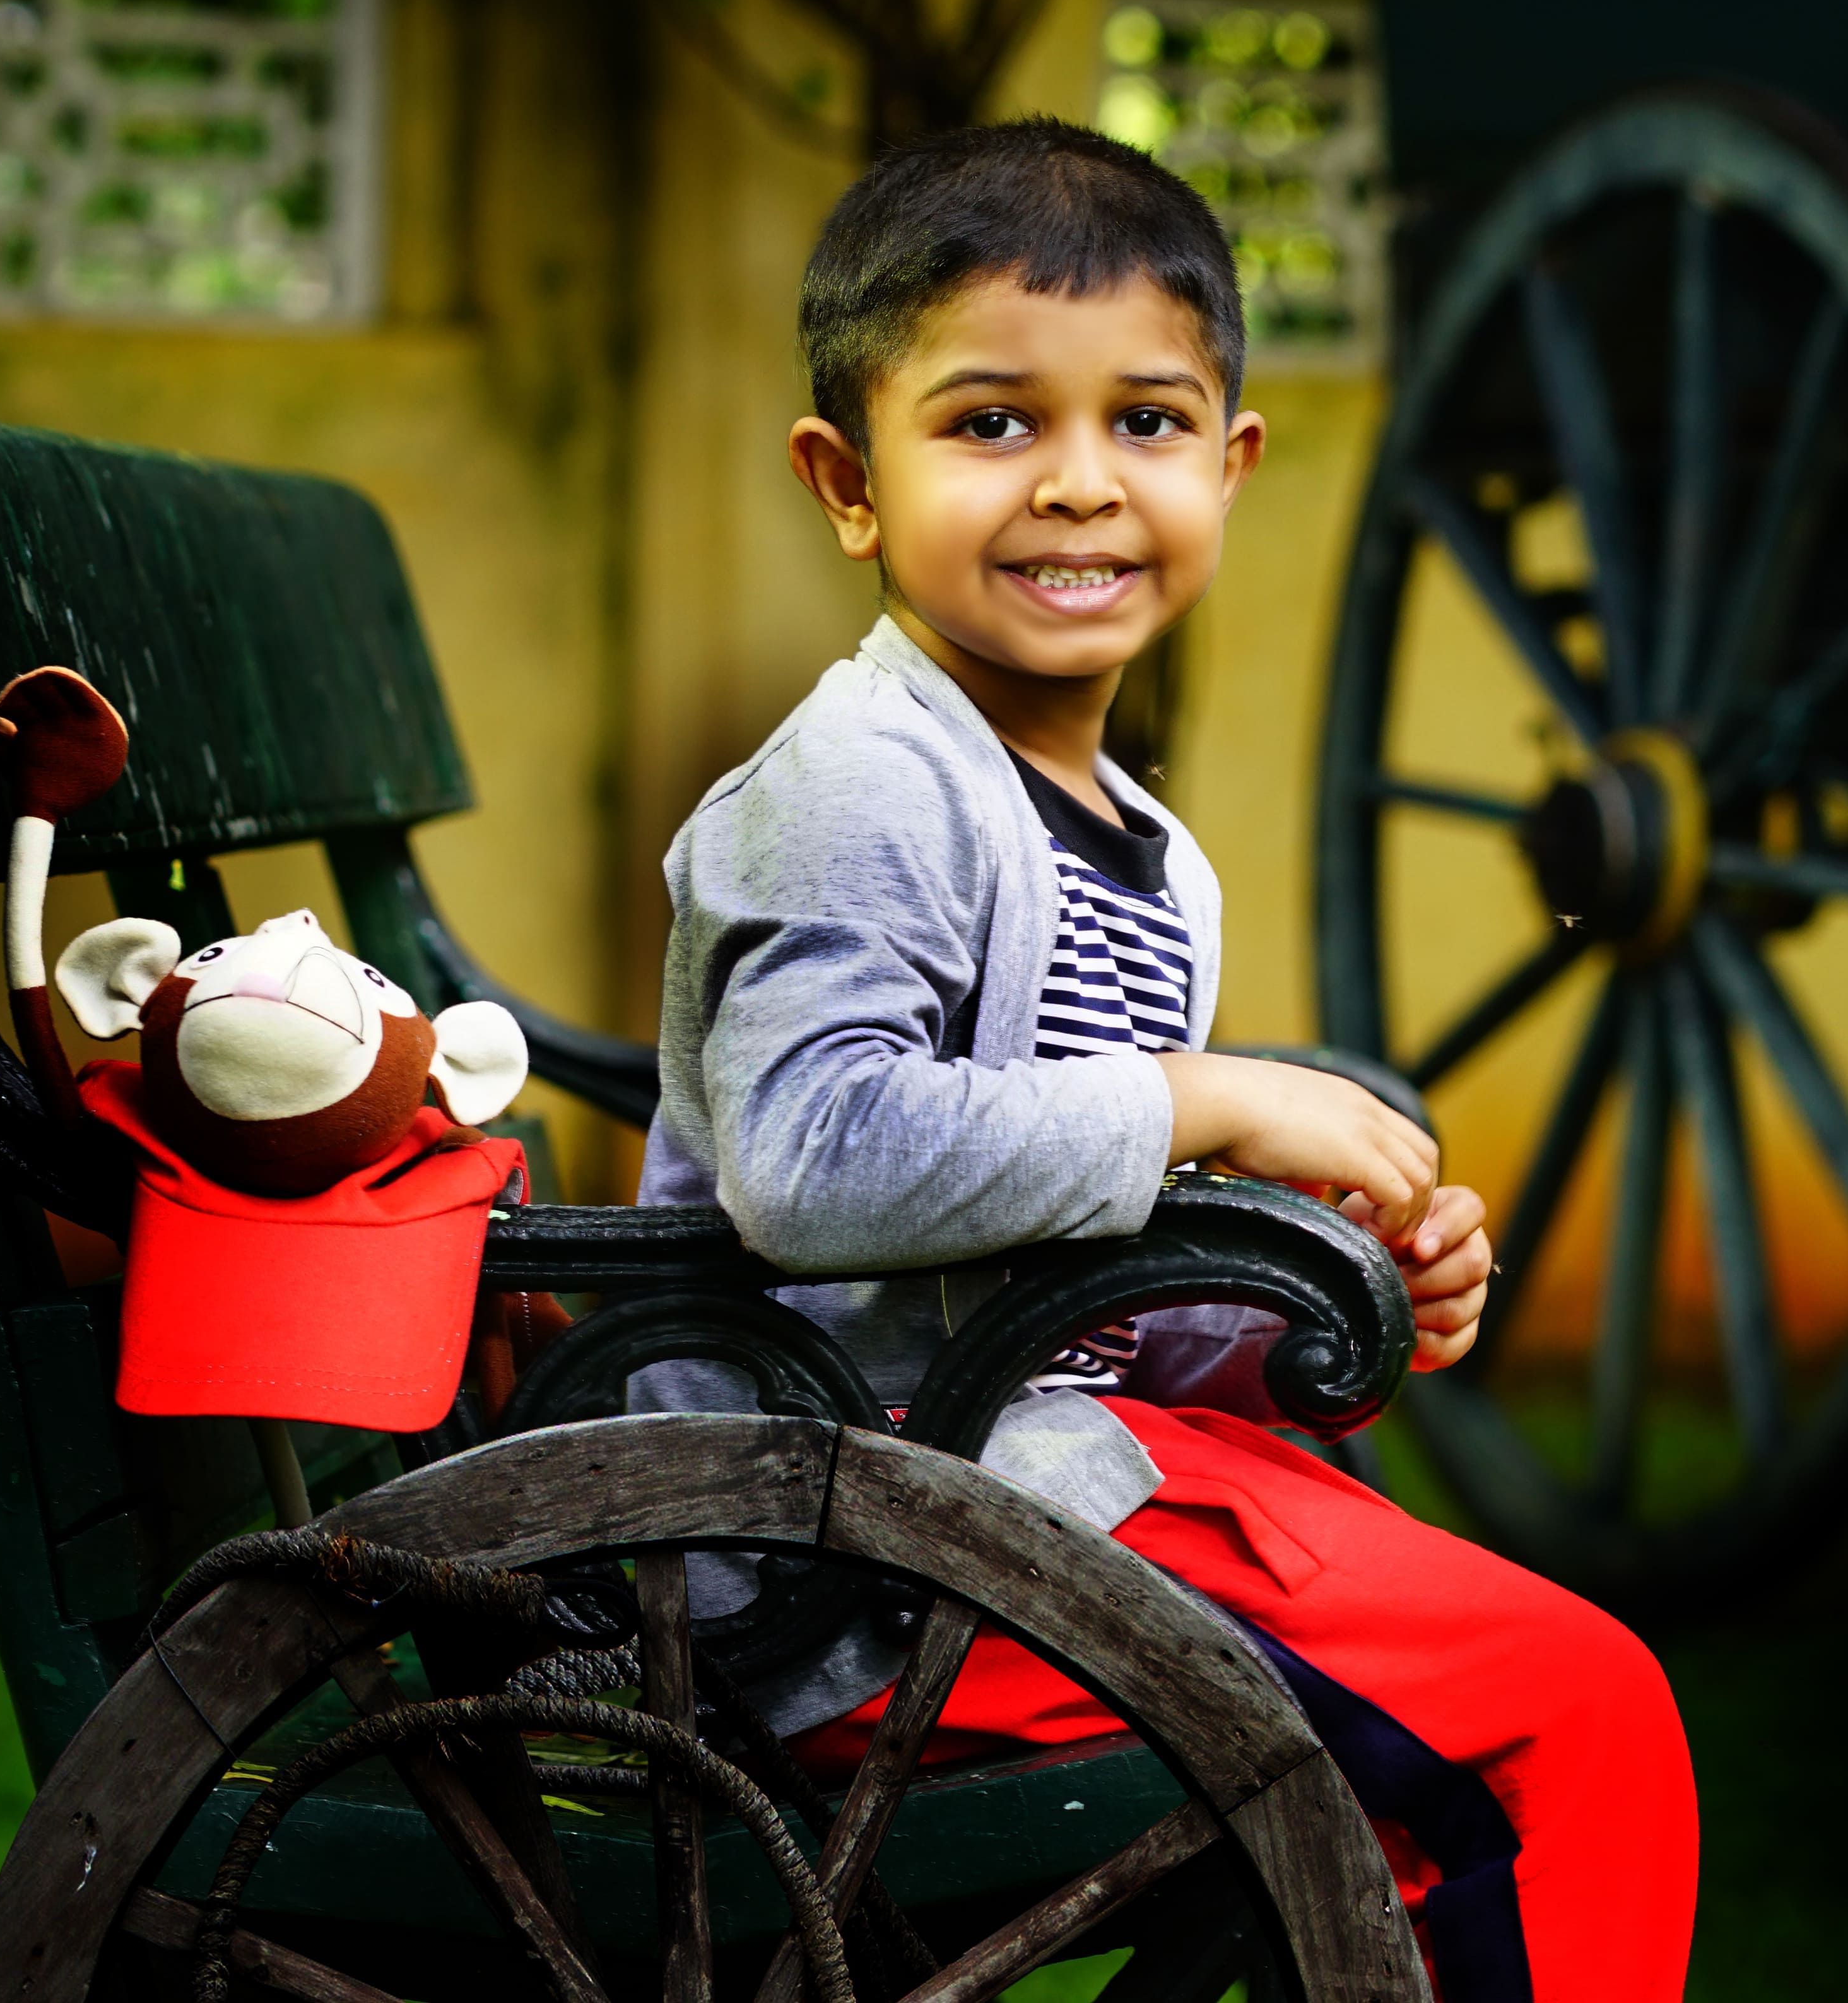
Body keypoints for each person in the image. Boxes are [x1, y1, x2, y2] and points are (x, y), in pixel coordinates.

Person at [636, 116, 1696, 1997]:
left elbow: (1064, 1273)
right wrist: (1204, 1106)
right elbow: (810, 1164)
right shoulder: (858, 786)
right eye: (988, 425)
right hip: (858, 1560)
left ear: (1230, 462)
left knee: (1547, 1712)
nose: (1076, 486)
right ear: (845, 480)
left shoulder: (1140, 845)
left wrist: (1315, 1287)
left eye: (1143, 422)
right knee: (1566, 1728)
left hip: (1010, 1481)